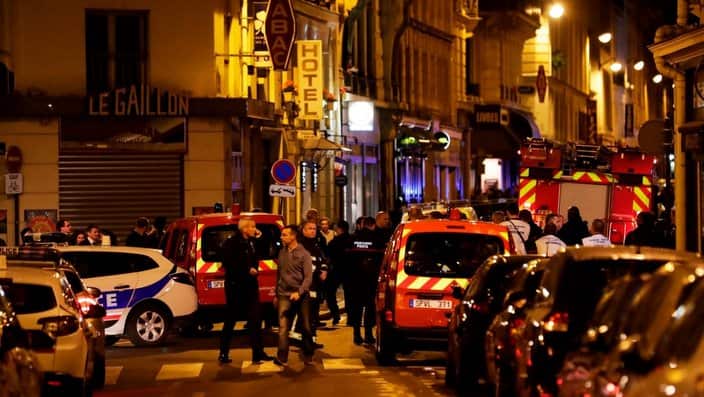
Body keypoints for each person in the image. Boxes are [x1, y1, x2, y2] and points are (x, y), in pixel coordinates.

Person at [218, 218, 272, 364]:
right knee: (230, 320)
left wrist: (260, 237)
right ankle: (223, 352)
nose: (255, 229)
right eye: (253, 227)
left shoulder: (252, 241)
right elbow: (229, 263)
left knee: (255, 320)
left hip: (250, 287)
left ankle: (258, 353)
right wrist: (247, 270)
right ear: (244, 228)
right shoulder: (232, 243)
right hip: (236, 287)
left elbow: (264, 250)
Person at [275, 225, 314, 366]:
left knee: (306, 326)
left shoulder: (304, 254)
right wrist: (276, 294)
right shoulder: (282, 253)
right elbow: (278, 274)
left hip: (301, 295)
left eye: (285, 235)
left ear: (293, 236)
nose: (282, 237)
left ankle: (308, 353)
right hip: (284, 294)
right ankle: (282, 356)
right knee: (283, 327)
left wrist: (300, 292)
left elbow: (308, 278)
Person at [346, 217, 384, 345]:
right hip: (371, 280)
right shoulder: (377, 239)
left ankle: (356, 334)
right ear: (372, 225)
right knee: (370, 307)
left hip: (354, 279)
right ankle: (368, 334)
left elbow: (347, 258)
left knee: (356, 307)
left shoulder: (352, 238)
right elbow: (382, 260)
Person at [299, 220, 329, 338]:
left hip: (316, 283)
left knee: (313, 312)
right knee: (307, 313)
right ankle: (307, 340)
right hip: (306, 284)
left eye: (314, 229)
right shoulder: (301, 246)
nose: (313, 231)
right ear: (303, 230)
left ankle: (312, 338)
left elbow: (322, 259)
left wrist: (324, 270)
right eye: (310, 229)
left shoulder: (316, 244)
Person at [327, 220, 352, 325]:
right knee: (350, 295)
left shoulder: (334, 242)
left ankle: (336, 314)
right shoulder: (352, 240)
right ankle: (351, 318)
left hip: (336, 270)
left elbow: (328, 256)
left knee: (330, 293)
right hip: (349, 270)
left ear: (339, 228)